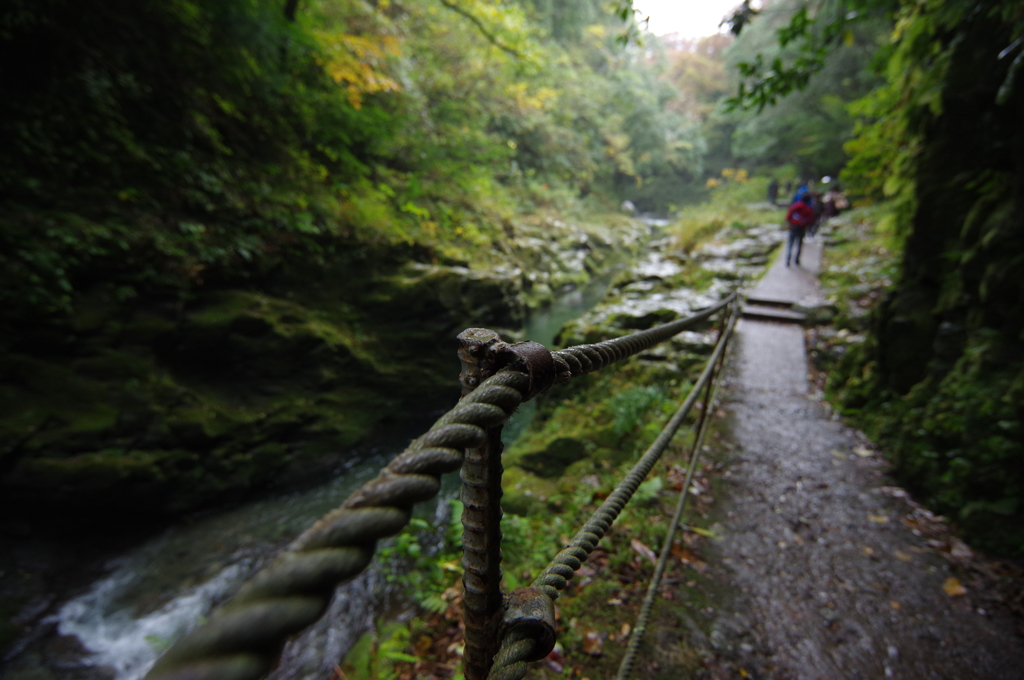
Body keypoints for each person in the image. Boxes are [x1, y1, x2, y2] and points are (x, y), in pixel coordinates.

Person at [784, 194, 814, 267]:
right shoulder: (808, 209)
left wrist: (789, 223)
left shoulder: (795, 205)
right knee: (799, 244)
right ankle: (796, 260)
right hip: (801, 228)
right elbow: (810, 220)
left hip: (793, 227)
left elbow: (788, 215)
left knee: (790, 244)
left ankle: (788, 259)